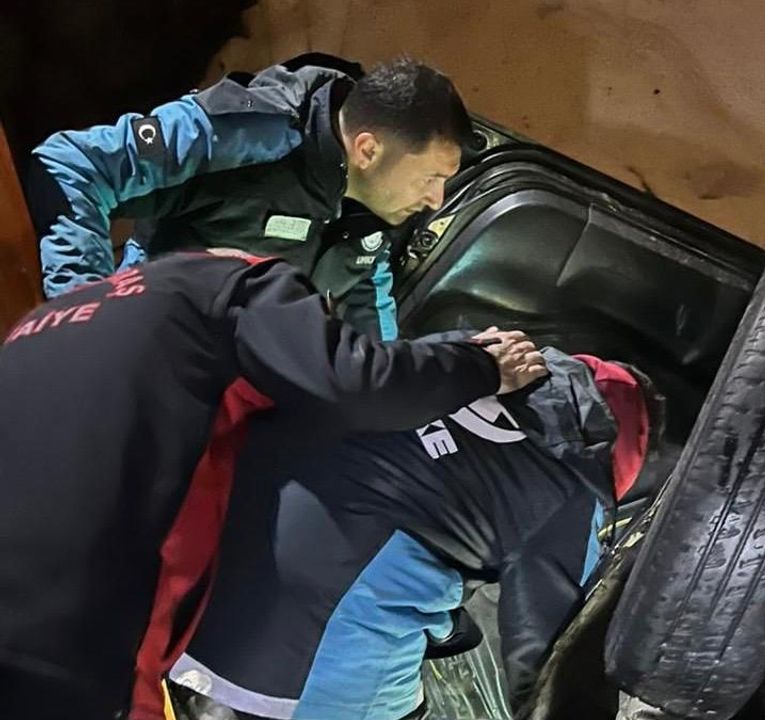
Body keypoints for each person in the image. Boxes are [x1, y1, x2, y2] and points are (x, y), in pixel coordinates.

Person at [0, 251, 547, 720]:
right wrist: (481, 366)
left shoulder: (47, 320)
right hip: (68, 634)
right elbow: (353, 380)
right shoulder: (241, 284)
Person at [164, 345, 664, 720]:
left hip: (189, 584)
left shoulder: (454, 358)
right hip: (295, 652)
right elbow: (542, 655)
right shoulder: (571, 486)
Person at [27, 53, 470, 339]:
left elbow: (370, 321)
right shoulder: (252, 132)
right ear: (368, 150)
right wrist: (86, 325)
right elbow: (72, 163)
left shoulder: (373, 214)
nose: (436, 199)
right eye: (431, 177)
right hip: (152, 356)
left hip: (243, 398)